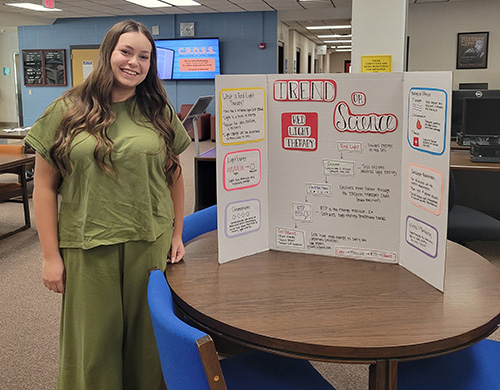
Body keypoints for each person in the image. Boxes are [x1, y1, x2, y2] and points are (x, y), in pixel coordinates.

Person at [25, 20, 191, 390]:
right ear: (108, 54)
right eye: (126, 52)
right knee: (93, 344)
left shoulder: (157, 109)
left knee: (148, 343)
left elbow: (174, 175)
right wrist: (50, 256)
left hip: (148, 241)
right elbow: (45, 188)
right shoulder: (67, 110)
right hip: (87, 245)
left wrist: (178, 232)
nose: (134, 62)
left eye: (144, 56)